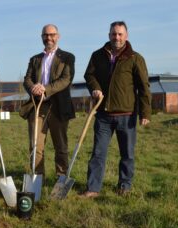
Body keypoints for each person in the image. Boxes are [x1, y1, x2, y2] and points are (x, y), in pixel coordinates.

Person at [81, 21, 151, 198]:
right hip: (103, 115)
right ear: (109, 35)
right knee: (98, 153)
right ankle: (93, 189)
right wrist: (95, 87)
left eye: (120, 34)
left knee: (127, 154)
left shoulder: (135, 58)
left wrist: (145, 113)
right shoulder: (97, 55)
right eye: (114, 34)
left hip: (126, 115)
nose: (117, 37)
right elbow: (89, 75)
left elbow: (144, 87)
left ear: (126, 36)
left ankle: (124, 187)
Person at [19, 24, 75, 178]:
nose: (48, 38)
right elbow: (27, 79)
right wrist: (34, 88)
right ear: (42, 37)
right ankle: (37, 177)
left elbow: (66, 80)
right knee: (35, 145)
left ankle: (61, 177)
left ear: (58, 36)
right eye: (45, 35)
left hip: (59, 106)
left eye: (52, 34)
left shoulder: (68, 57)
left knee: (61, 146)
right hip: (37, 106)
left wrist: (45, 88)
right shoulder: (35, 59)